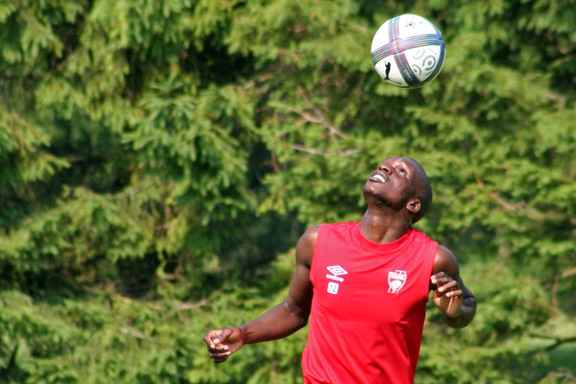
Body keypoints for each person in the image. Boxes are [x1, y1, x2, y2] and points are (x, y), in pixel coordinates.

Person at [203, 156, 477, 383]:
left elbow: (466, 304)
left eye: (400, 170)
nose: (385, 167)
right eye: (384, 164)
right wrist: (243, 333)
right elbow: (294, 311)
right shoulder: (318, 241)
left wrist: (454, 315)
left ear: (413, 205)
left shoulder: (433, 259)